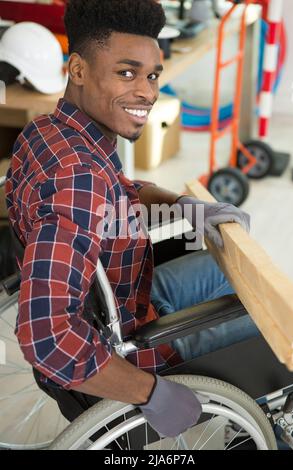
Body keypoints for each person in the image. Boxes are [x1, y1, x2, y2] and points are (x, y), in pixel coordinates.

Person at [5, 0, 259, 438]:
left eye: (152, 75)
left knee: (242, 269)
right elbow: (47, 337)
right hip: (128, 348)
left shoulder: (48, 133)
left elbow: (118, 187)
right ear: (78, 69)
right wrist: (151, 393)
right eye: (126, 72)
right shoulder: (78, 180)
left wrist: (179, 203)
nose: (146, 91)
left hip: (124, 298)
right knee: (285, 332)